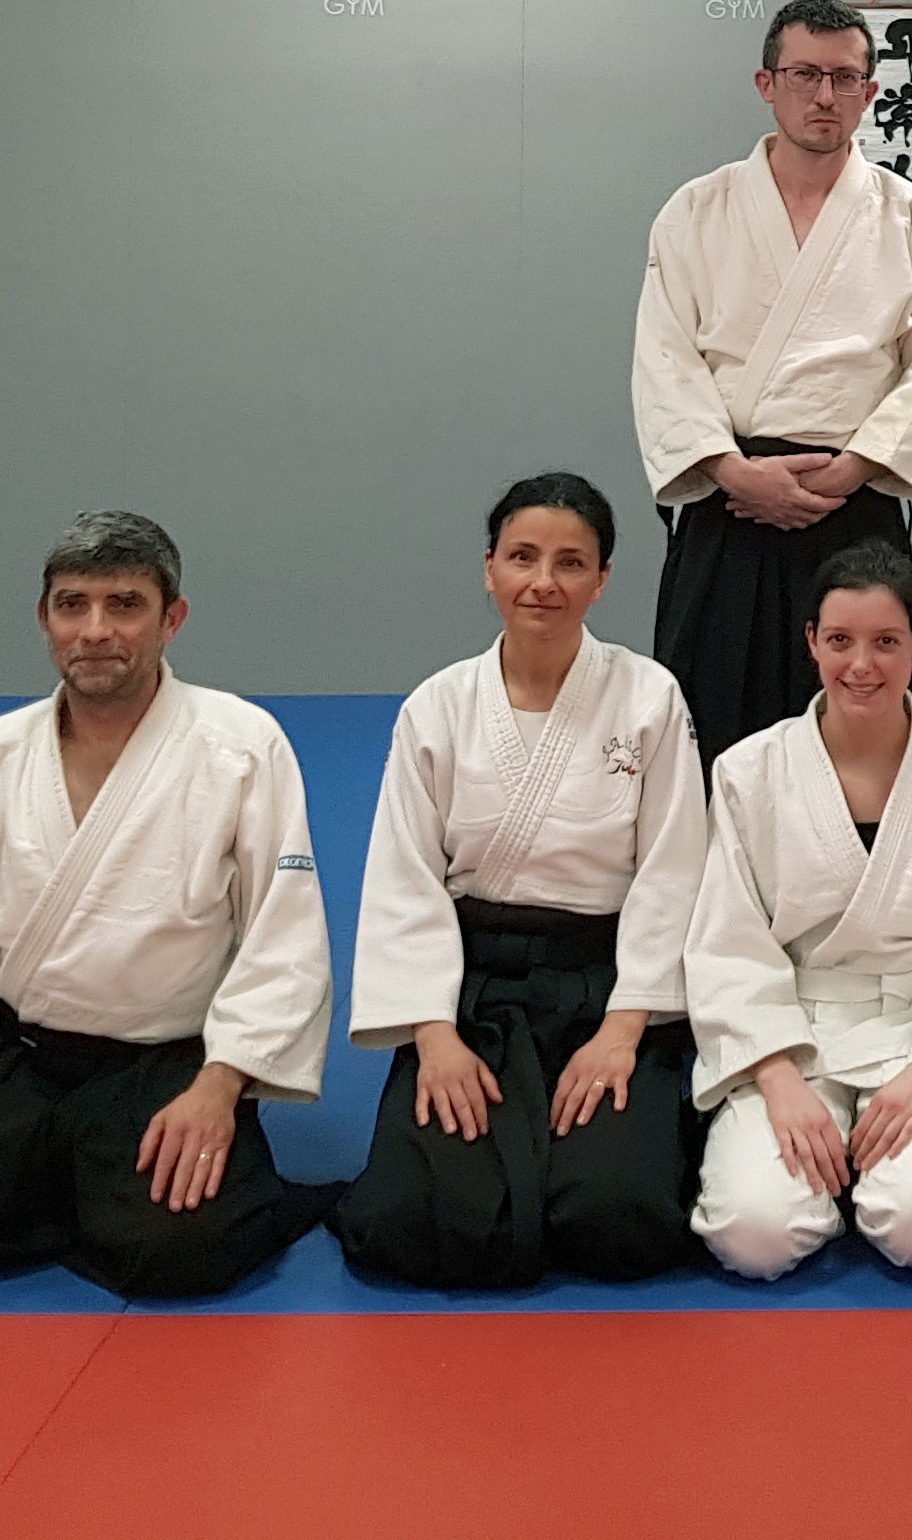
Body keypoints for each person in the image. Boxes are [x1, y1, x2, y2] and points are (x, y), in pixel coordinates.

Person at [0, 512, 337, 1299]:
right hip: (21, 1060)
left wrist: (220, 1088)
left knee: (183, 1255)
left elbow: (284, 937)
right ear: (44, 618)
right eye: (72, 605)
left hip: (165, 1065)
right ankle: (83, 1198)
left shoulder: (243, 747)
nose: (95, 631)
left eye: (125, 605)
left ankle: (62, 1195)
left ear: (172, 619)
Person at [332, 474, 711, 1287]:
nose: (544, 581)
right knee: (417, 1223)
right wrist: (433, 1037)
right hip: (476, 992)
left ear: (602, 579)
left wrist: (624, 1031)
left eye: (571, 563)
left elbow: (674, 870)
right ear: (489, 569)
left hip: (604, 986)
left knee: (617, 1219)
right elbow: (405, 878)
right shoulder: (438, 705)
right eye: (522, 557)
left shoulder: (649, 697)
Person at [637, 0, 912, 763]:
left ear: (870, 92)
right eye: (805, 75)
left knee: (860, 724)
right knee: (712, 719)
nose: (825, 95)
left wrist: (853, 469)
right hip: (731, 498)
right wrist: (729, 470)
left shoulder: (911, 218)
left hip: (852, 497)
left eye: (845, 78)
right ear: (767, 83)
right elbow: (664, 358)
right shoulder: (697, 210)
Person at [686, 543, 912, 1279]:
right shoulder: (748, 771)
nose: (861, 665)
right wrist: (776, 1076)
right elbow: (725, 941)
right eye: (840, 640)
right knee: (753, 1234)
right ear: (811, 642)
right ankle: (823, 1167)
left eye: (886, 642)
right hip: (791, 1034)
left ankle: (877, 1168)